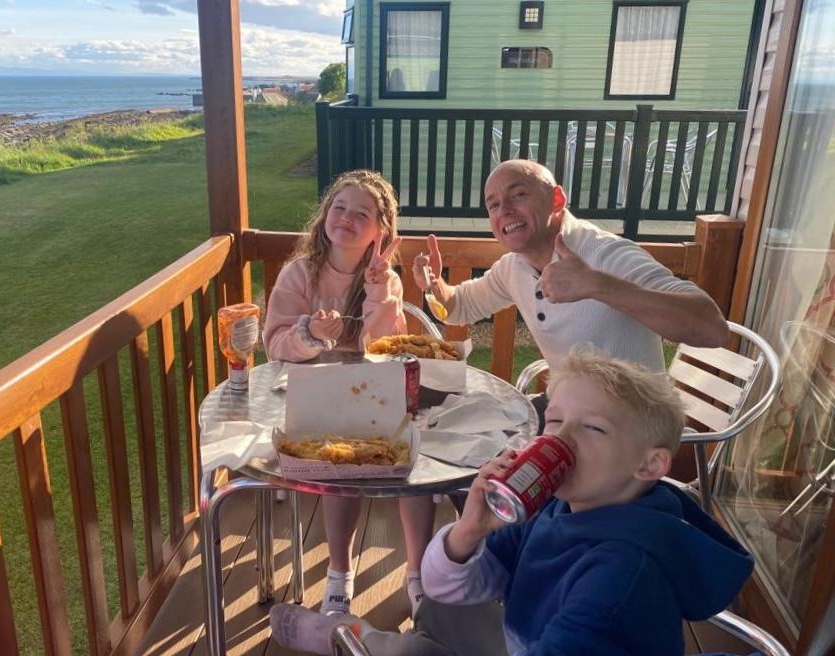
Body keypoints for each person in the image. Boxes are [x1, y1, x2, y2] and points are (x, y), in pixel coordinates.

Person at [268, 349, 754, 656]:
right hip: (522, 633)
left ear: (649, 465)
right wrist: (468, 532)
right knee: (440, 603)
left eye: (594, 428)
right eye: (556, 421)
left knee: (410, 649)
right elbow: (449, 584)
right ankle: (372, 639)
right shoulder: (560, 504)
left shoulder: (620, 579)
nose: (561, 441)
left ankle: (350, 637)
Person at [263, 169, 434, 617]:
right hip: (315, 396)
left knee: (413, 462)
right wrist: (309, 334)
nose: (347, 218)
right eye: (339, 208)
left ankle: (416, 575)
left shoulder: (388, 279)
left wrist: (378, 291)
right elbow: (274, 343)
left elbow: (380, 349)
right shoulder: (299, 274)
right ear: (324, 216)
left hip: (375, 392)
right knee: (342, 466)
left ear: (381, 231)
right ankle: (340, 574)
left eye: (362, 213)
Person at [414, 159, 729, 377]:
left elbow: (712, 327)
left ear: (556, 199)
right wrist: (434, 284)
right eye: (493, 204)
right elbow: (460, 307)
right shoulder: (515, 267)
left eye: (519, 194)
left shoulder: (607, 254)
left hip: (630, 433)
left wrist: (597, 285)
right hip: (569, 417)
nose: (504, 210)